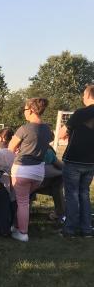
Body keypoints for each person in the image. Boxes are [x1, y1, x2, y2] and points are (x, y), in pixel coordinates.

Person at [7, 98, 54, 242]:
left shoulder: (24, 128)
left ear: (32, 110)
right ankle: (16, 226)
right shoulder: (47, 129)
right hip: (38, 172)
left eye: (25, 110)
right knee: (24, 201)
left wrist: (20, 149)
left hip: (22, 170)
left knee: (22, 202)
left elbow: (10, 148)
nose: (24, 113)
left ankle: (23, 233)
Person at [58, 84, 94, 237]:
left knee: (72, 195)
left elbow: (61, 134)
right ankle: (87, 229)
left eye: (83, 95)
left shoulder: (80, 113)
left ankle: (70, 229)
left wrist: (68, 133)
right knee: (84, 194)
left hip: (74, 159)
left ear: (87, 96)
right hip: (91, 162)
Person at [32, 146, 64, 222]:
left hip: (31, 182)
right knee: (58, 187)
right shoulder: (48, 152)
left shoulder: (28, 149)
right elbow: (61, 166)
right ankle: (60, 213)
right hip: (46, 184)